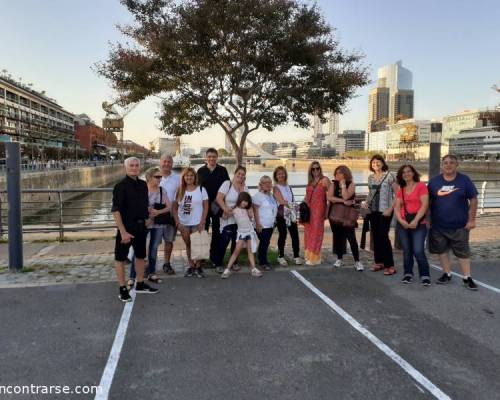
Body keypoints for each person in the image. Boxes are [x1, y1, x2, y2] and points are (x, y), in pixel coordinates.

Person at [427, 155, 478, 290]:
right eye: (445, 163)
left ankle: (467, 277)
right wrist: (427, 220)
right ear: (442, 165)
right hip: (438, 225)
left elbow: (473, 200)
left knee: (463, 253)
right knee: (442, 251)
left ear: (457, 165)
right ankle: (446, 273)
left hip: (460, 225)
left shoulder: (464, 180)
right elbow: (427, 202)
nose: (448, 165)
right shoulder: (433, 182)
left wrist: (472, 220)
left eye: (452, 163)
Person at [111, 157, 158, 302]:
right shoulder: (120, 186)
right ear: (126, 167)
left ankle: (140, 283)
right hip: (126, 228)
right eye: (131, 165)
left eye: (137, 165)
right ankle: (122, 288)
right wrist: (123, 231)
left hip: (140, 227)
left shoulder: (143, 185)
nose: (134, 167)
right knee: (120, 258)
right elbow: (116, 210)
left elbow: (143, 205)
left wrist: (148, 216)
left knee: (140, 256)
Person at [127, 167, 171, 289]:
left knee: (154, 249)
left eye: (160, 176)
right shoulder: (141, 189)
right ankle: (132, 276)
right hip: (143, 223)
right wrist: (147, 215)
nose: (160, 179)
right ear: (149, 177)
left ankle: (151, 273)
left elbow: (169, 207)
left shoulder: (162, 190)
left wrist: (158, 212)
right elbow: (135, 206)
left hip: (157, 223)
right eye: (157, 177)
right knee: (138, 249)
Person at [361, 154, 399, 275]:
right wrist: (366, 203)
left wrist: (390, 209)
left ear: (383, 163)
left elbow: (398, 194)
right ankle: (379, 262)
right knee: (376, 237)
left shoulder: (389, 176)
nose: (376, 164)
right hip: (373, 211)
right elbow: (371, 193)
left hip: (385, 211)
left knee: (383, 236)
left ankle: (390, 265)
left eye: (378, 162)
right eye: (373, 163)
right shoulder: (370, 177)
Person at [394, 165, 431, 285]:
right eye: (403, 172)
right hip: (403, 223)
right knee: (407, 250)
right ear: (401, 175)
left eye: (409, 171)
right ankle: (408, 273)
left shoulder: (421, 186)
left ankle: (425, 275)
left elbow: (424, 205)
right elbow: (397, 207)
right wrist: (401, 221)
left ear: (413, 173)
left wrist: (416, 220)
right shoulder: (401, 189)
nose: (406, 174)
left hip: (419, 222)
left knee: (418, 250)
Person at [172, 167, 209, 278]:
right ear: (183, 177)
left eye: (191, 175)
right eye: (187, 175)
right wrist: (177, 222)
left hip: (197, 222)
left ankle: (198, 267)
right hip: (184, 223)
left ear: (195, 177)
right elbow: (174, 208)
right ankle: (191, 266)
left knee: (197, 245)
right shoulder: (179, 190)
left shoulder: (201, 189)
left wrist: (203, 221)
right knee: (188, 244)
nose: (189, 177)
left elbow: (206, 206)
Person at [197, 148, 230, 266]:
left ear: (217, 157)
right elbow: (197, 188)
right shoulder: (201, 171)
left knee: (217, 231)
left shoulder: (222, 170)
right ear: (206, 158)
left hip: (217, 205)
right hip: (204, 205)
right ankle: (203, 257)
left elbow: (227, 187)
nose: (211, 159)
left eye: (214, 156)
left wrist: (225, 206)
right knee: (203, 231)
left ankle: (214, 256)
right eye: (209, 156)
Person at [213, 165, 249, 274]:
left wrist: (243, 191)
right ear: (235, 173)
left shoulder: (245, 188)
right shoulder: (227, 184)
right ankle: (218, 263)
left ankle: (234, 262)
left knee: (236, 242)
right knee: (224, 241)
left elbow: (247, 203)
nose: (241, 176)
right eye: (239, 174)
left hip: (239, 219)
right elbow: (218, 198)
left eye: (243, 175)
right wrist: (225, 209)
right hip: (227, 218)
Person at [327, 165, 363, 271]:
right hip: (335, 214)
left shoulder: (351, 184)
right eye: (336, 173)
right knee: (338, 237)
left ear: (345, 173)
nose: (337, 175)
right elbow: (330, 197)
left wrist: (343, 185)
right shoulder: (333, 184)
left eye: (340, 173)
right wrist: (342, 201)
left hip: (347, 215)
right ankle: (339, 258)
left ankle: (357, 261)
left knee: (351, 237)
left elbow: (346, 196)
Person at [221, 192, 262, 279]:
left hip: (249, 233)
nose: (245, 203)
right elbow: (224, 217)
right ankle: (227, 269)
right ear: (239, 200)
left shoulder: (247, 209)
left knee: (250, 251)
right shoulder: (235, 210)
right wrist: (227, 209)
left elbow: (251, 217)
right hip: (241, 234)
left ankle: (253, 268)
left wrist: (250, 209)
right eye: (244, 201)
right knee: (236, 252)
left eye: (247, 201)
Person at [273, 166, 302, 266]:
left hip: (291, 213)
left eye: (282, 173)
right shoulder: (276, 188)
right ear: (276, 176)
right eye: (279, 174)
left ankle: (296, 256)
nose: (281, 175)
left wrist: (295, 209)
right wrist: (294, 206)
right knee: (283, 234)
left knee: (295, 235)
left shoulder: (288, 187)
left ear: (285, 174)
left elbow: (291, 200)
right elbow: (281, 201)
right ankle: (280, 256)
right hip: (281, 214)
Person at [302, 161, 330, 265]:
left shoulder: (324, 180)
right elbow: (307, 197)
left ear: (320, 169)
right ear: (310, 170)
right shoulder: (310, 182)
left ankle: (315, 258)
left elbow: (330, 196)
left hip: (319, 211)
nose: (315, 171)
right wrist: (301, 207)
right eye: (313, 169)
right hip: (308, 211)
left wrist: (328, 210)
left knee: (316, 234)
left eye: (317, 168)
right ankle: (308, 255)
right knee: (308, 233)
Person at [159, 154, 181, 275]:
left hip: (171, 214)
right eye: (164, 161)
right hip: (155, 214)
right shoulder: (154, 176)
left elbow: (180, 196)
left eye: (169, 162)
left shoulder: (177, 178)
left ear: (172, 164)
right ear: (160, 162)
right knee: (153, 242)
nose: (166, 164)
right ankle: (149, 265)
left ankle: (167, 263)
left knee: (169, 241)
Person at [253, 175, 278, 271]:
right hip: (261, 225)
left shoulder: (271, 196)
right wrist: (258, 223)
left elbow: (273, 208)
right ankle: (263, 262)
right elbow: (255, 210)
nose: (267, 185)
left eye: (269, 183)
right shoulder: (258, 196)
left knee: (265, 242)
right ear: (261, 184)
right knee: (264, 242)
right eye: (265, 183)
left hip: (270, 225)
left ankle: (261, 259)